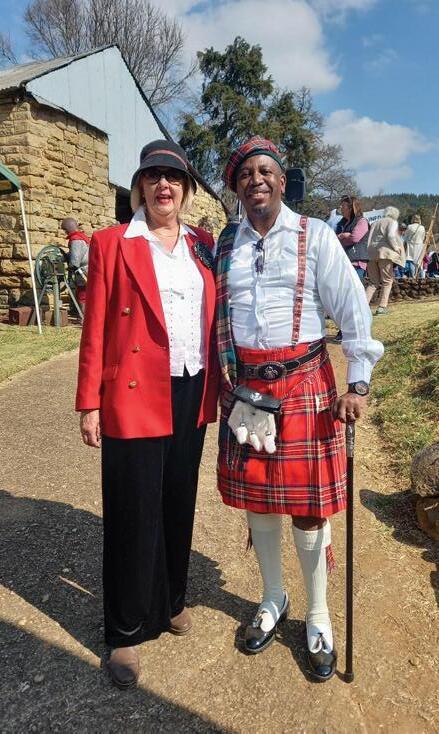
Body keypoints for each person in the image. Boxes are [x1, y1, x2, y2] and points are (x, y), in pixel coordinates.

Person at [215, 137, 383, 681]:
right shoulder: (226, 243)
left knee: (308, 507)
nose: (256, 180)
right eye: (246, 174)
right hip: (247, 391)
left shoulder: (316, 235)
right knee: (259, 502)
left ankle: (318, 614)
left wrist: (358, 383)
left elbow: (352, 309)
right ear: (236, 187)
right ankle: (273, 597)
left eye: (266, 171)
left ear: (282, 182)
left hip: (305, 384)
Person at [75, 139, 219, 689]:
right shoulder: (112, 243)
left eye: (174, 178)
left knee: (178, 500)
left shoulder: (202, 245)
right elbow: (95, 327)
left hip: (191, 388)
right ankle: (125, 629)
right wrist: (89, 401)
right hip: (134, 393)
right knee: (133, 510)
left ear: (186, 190)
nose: (164, 185)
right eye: (154, 176)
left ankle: (171, 600)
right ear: (140, 187)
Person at [333, 196, 369, 341]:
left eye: (343, 206)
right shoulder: (342, 223)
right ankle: (345, 330)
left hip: (356, 263)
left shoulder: (362, 221)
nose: (341, 209)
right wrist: (344, 235)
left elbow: (355, 238)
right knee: (343, 298)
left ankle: (354, 331)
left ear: (351, 207)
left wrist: (343, 236)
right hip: (344, 262)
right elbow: (335, 239)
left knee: (353, 298)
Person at [365, 206, 405, 315]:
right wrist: (396, 248)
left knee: (373, 282)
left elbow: (369, 238)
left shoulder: (375, 223)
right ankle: (382, 307)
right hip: (384, 254)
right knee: (387, 281)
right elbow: (391, 236)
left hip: (371, 254)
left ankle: (363, 306)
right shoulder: (392, 222)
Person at [61, 218, 90, 310]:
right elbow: (75, 253)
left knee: (82, 294)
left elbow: (75, 259)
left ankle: (84, 316)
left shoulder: (76, 239)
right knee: (85, 293)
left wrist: (70, 267)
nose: (65, 232)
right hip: (88, 269)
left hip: (83, 271)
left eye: (65, 230)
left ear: (68, 228)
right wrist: (63, 257)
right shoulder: (82, 237)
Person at [404, 214, 425, 278]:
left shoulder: (409, 226)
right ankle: (421, 277)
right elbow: (423, 237)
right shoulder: (422, 227)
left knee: (411, 261)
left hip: (411, 245)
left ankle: (413, 276)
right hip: (419, 245)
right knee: (419, 261)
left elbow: (405, 237)